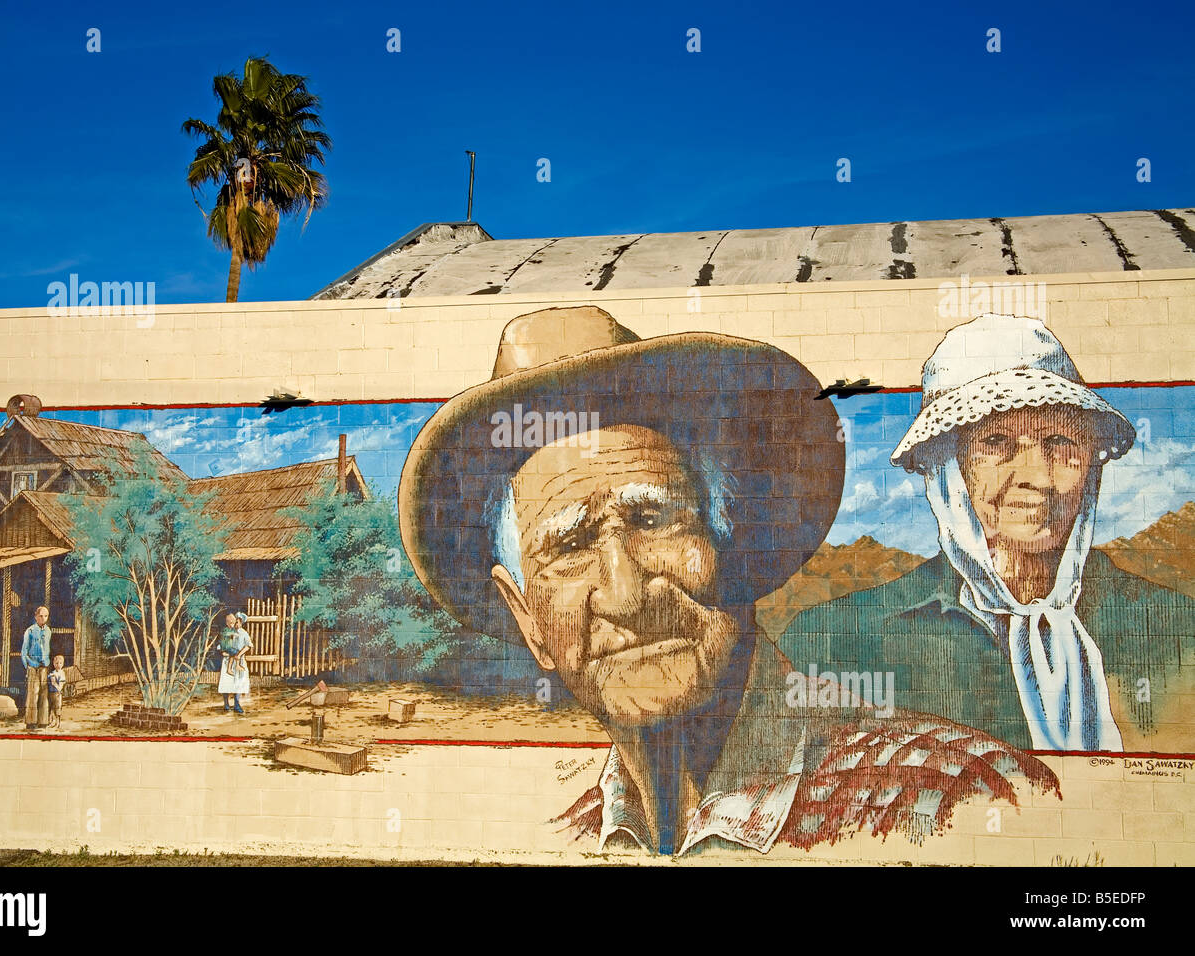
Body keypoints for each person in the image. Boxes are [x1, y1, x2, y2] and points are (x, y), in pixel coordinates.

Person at [399, 306, 1057, 856]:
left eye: (653, 518)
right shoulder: (583, 836)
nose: (626, 595)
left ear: (734, 545)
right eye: (568, 547)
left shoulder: (944, 794)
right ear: (529, 622)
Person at [781, 313, 1195, 752]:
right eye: (997, 445)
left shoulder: (1175, 626)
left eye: (1060, 443)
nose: (1037, 476)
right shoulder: (832, 641)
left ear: (1091, 464)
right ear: (947, 472)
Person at [21, 606, 51, 731]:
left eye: (45, 616)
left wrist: (47, 661)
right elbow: (24, 651)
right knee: (33, 693)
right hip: (33, 666)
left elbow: (47, 648)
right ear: (35, 616)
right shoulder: (30, 631)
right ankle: (31, 721)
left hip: (44, 666)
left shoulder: (48, 631)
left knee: (44, 693)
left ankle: (43, 721)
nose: (43, 619)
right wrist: (28, 665)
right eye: (41, 616)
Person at [218, 611, 251, 714]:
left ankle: (237, 704)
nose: (236, 624)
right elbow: (223, 644)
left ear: (241, 623)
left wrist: (239, 654)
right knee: (226, 682)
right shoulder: (229, 631)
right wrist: (224, 652)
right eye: (234, 622)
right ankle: (226, 704)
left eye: (238, 622)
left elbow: (248, 646)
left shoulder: (244, 633)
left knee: (239, 682)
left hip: (238, 659)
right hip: (228, 660)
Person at [47, 655, 66, 730]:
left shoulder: (62, 673)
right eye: (56, 663)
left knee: (57, 708)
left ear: (63, 664)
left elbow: (60, 684)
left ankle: (57, 723)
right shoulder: (52, 673)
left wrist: (58, 688)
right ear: (54, 664)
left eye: (60, 663)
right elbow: (51, 682)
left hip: (57, 693)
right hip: (51, 693)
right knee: (51, 708)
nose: (58, 665)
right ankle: (51, 722)